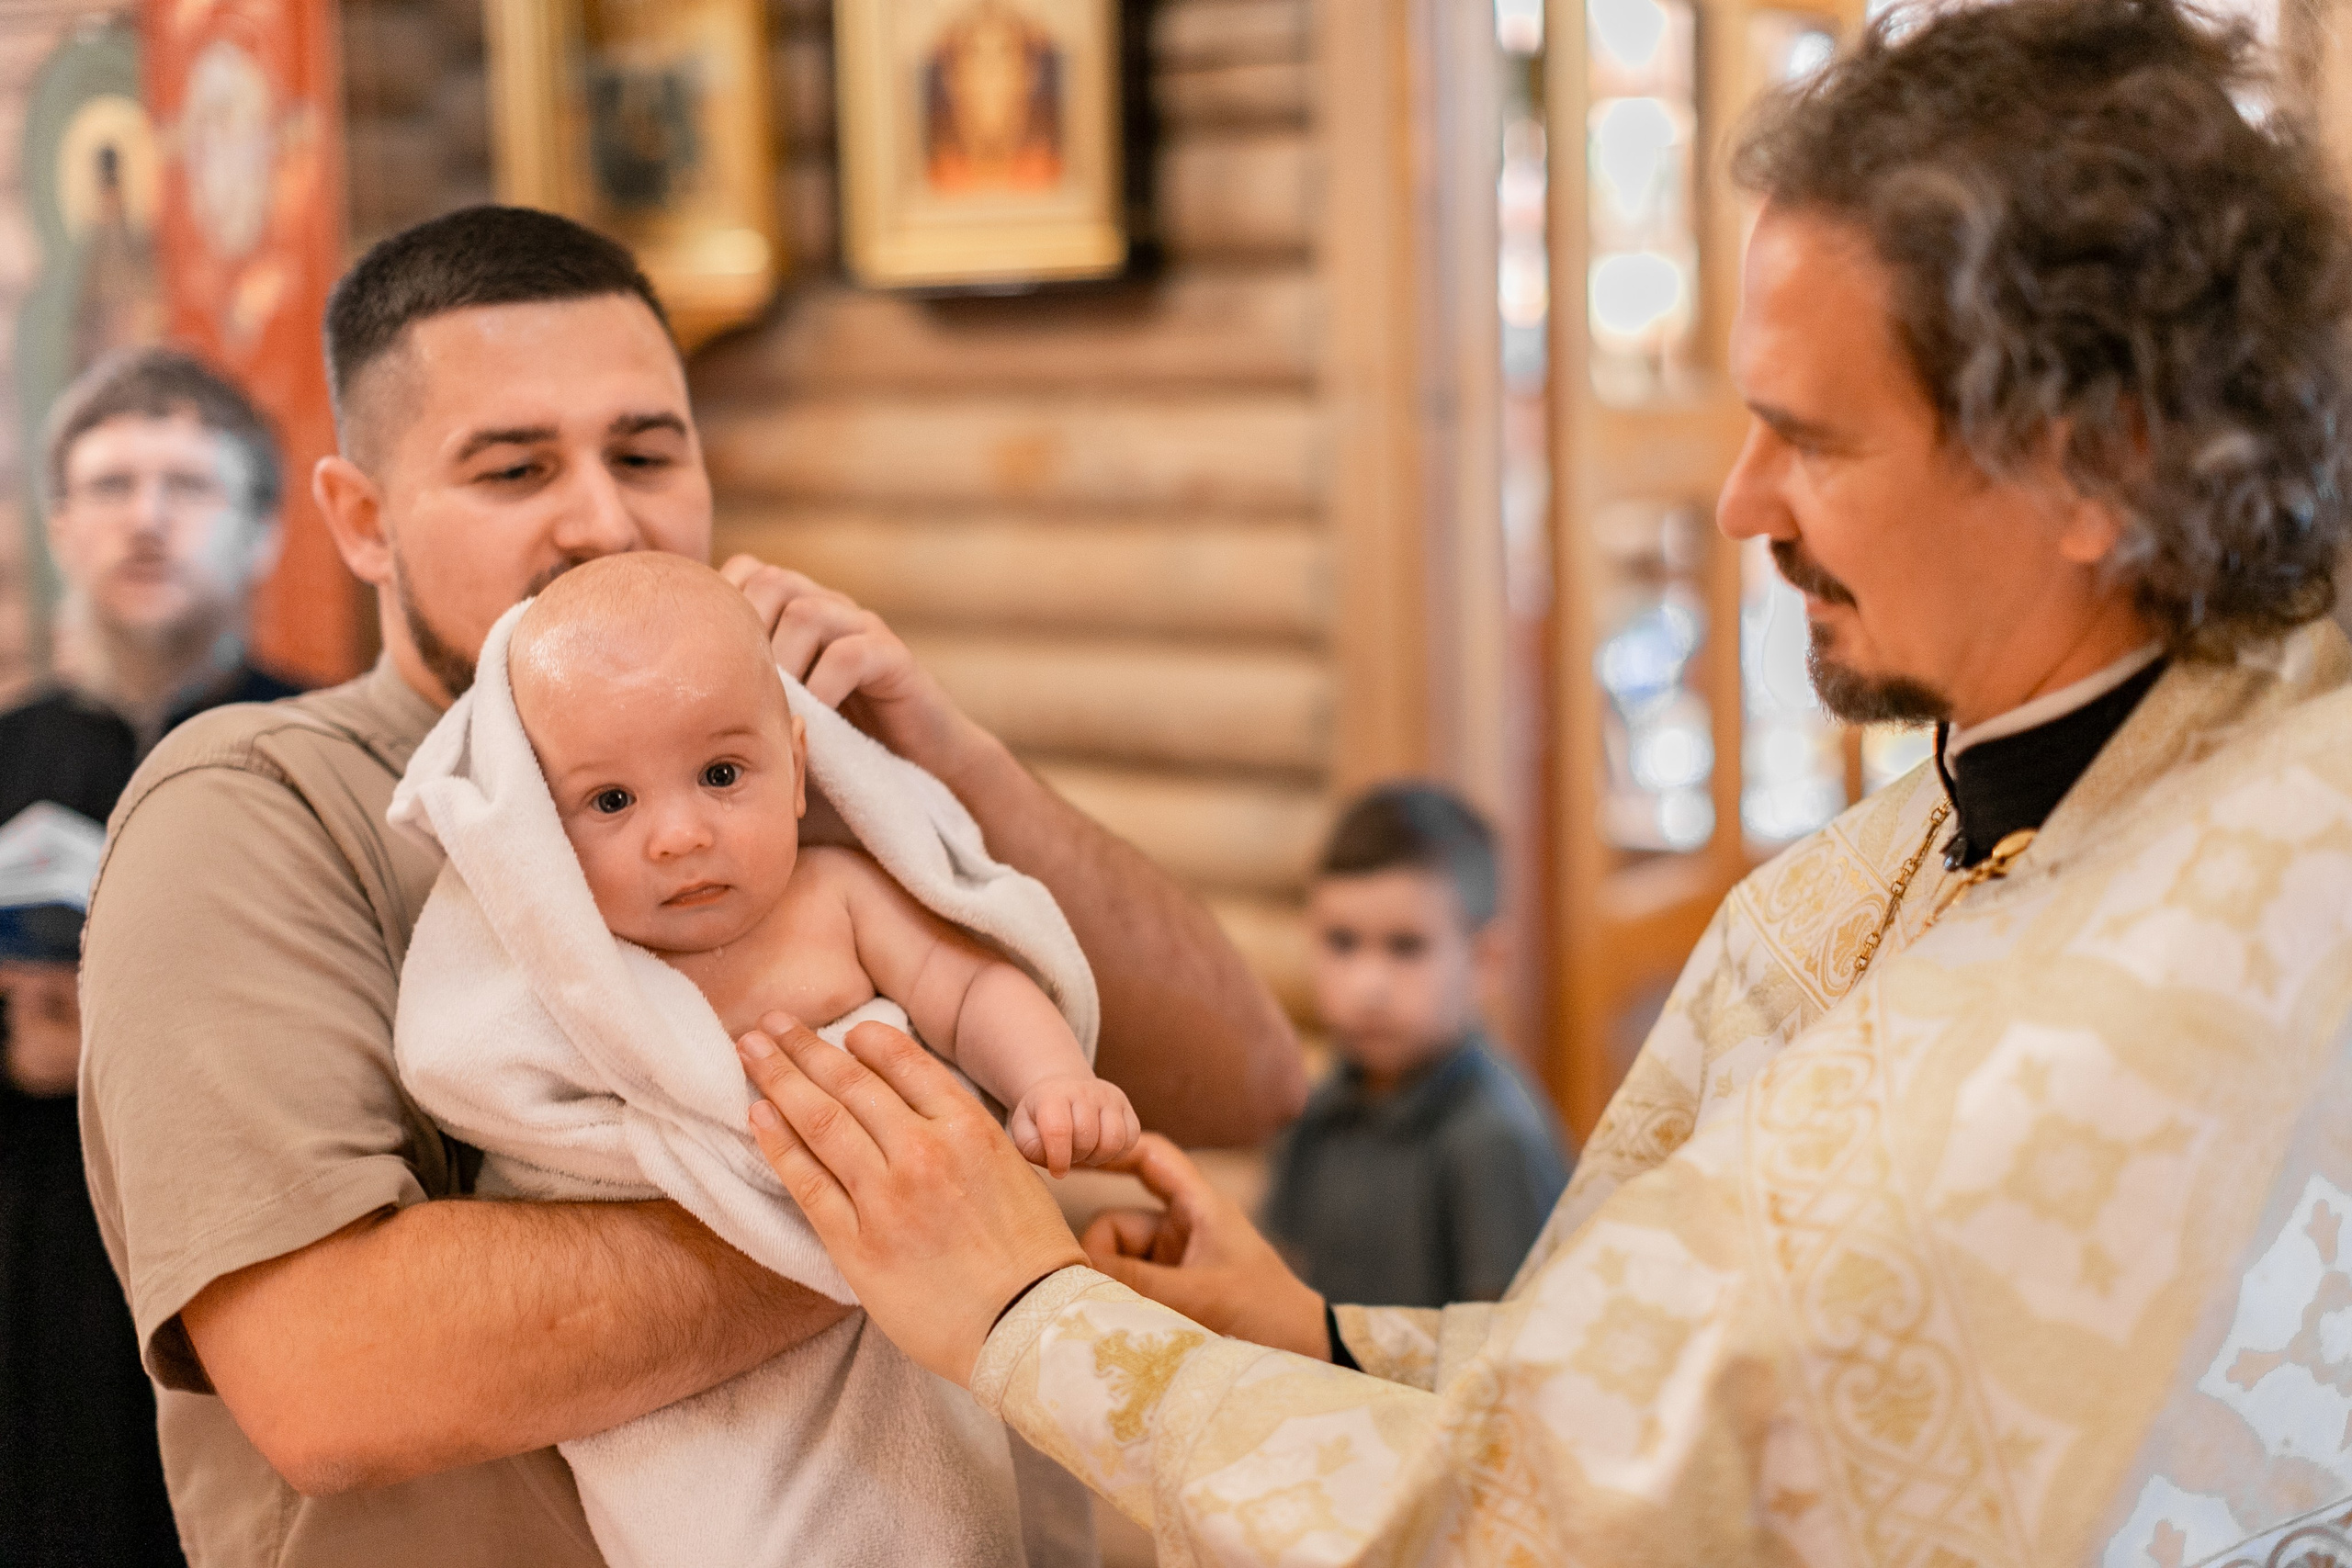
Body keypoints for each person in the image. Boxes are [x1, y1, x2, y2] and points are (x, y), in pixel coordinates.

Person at [729, 1, 2352, 1562]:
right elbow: (1696, 1405)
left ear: (2101, 465)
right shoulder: (1888, 873)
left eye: (1818, 440)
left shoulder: (2192, 966)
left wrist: (1029, 1316)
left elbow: (1591, 1532)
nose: (1738, 503)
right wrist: (1326, 1340)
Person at [76, 207, 1303, 1568]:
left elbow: (1240, 1079)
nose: (602, 516)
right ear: (363, 520)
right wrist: (921, 1224)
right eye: (514, 468)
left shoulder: (771, 770)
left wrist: (950, 764)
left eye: (647, 451)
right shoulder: (259, 806)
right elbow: (331, 1375)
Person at [509, 553, 1139, 1172]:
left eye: (720, 774)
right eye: (611, 800)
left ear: (795, 772)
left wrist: (1051, 1079)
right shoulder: (569, 964)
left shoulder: (838, 898)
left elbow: (974, 990)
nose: (680, 836)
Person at [0, 345, 294, 1568]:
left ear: (265, 532)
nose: (148, 515)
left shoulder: (308, 749)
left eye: (190, 484)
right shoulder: (12, 752)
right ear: (61, 522)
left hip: (252, 1258)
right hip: (31, 1264)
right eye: (112, 484)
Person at [1262, 784, 1568, 1308]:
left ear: (1485, 962)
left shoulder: (1495, 1140)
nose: (1368, 985)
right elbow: (1280, 1280)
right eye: (1341, 942)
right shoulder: (1314, 1111)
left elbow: (1503, 1354)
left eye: (1406, 947)